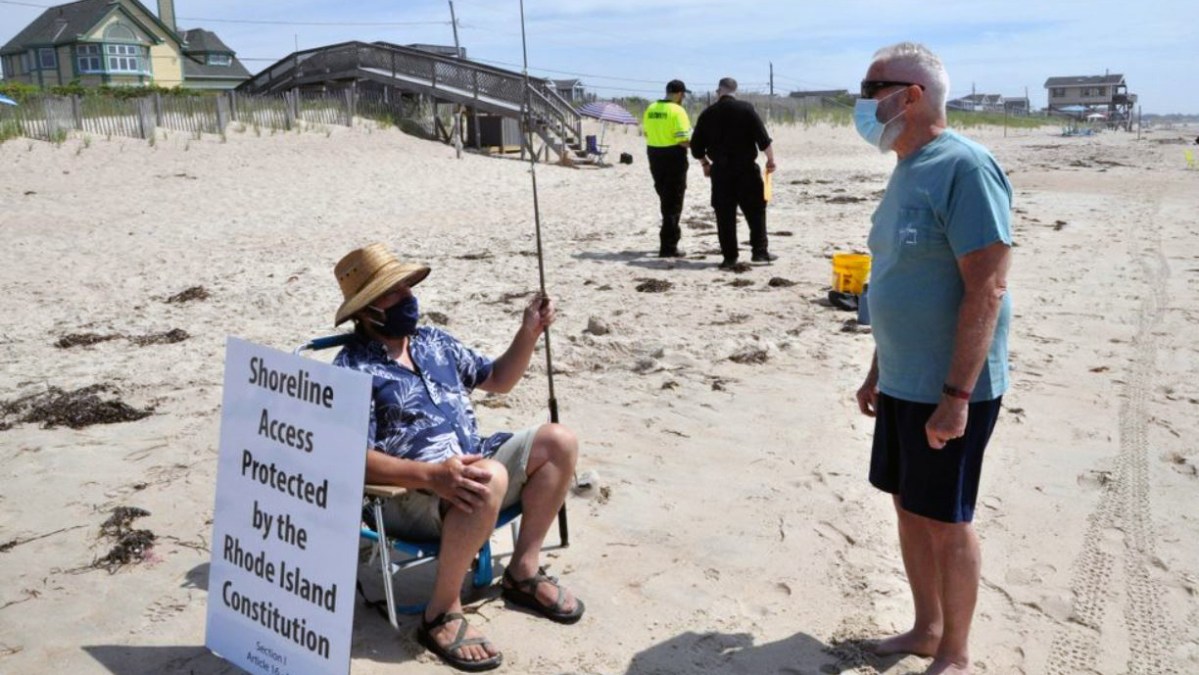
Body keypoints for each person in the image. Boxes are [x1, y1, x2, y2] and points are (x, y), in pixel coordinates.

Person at [331, 243, 584, 672]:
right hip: (406, 496)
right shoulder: (351, 369)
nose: (409, 297)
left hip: (472, 466)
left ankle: (523, 572)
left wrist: (529, 331)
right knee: (485, 478)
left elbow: (498, 379)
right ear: (367, 309)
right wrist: (431, 476)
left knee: (558, 441)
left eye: (408, 286)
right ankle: (441, 612)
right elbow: (349, 458)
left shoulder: (432, 340)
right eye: (394, 292)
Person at [852, 43, 1012, 675]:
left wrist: (956, 397)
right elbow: (901, 277)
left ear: (911, 96)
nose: (862, 104)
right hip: (902, 379)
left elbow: (988, 286)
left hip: (950, 386)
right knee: (906, 504)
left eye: (871, 89)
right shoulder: (907, 165)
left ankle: (956, 653)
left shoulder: (965, 167)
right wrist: (877, 368)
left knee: (947, 519)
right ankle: (926, 627)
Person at [690, 77, 778, 269]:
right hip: (746, 168)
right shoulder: (746, 109)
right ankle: (760, 252)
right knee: (756, 211)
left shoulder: (707, 113)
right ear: (734, 91)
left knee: (724, 215)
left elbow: (696, 147)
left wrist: (705, 164)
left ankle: (730, 257)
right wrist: (770, 161)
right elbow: (763, 139)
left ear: (718, 91)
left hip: (721, 171)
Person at [642, 79, 693, 258]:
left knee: (665, 198)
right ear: (680, 94)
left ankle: (669, 239)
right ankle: (668, 246)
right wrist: (698, 146)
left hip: (654, 154)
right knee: (673, 202)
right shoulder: (677, 110)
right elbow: (682, 140)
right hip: (673, 156)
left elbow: (646, 133)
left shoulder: (651, 108)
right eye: (683, 94)